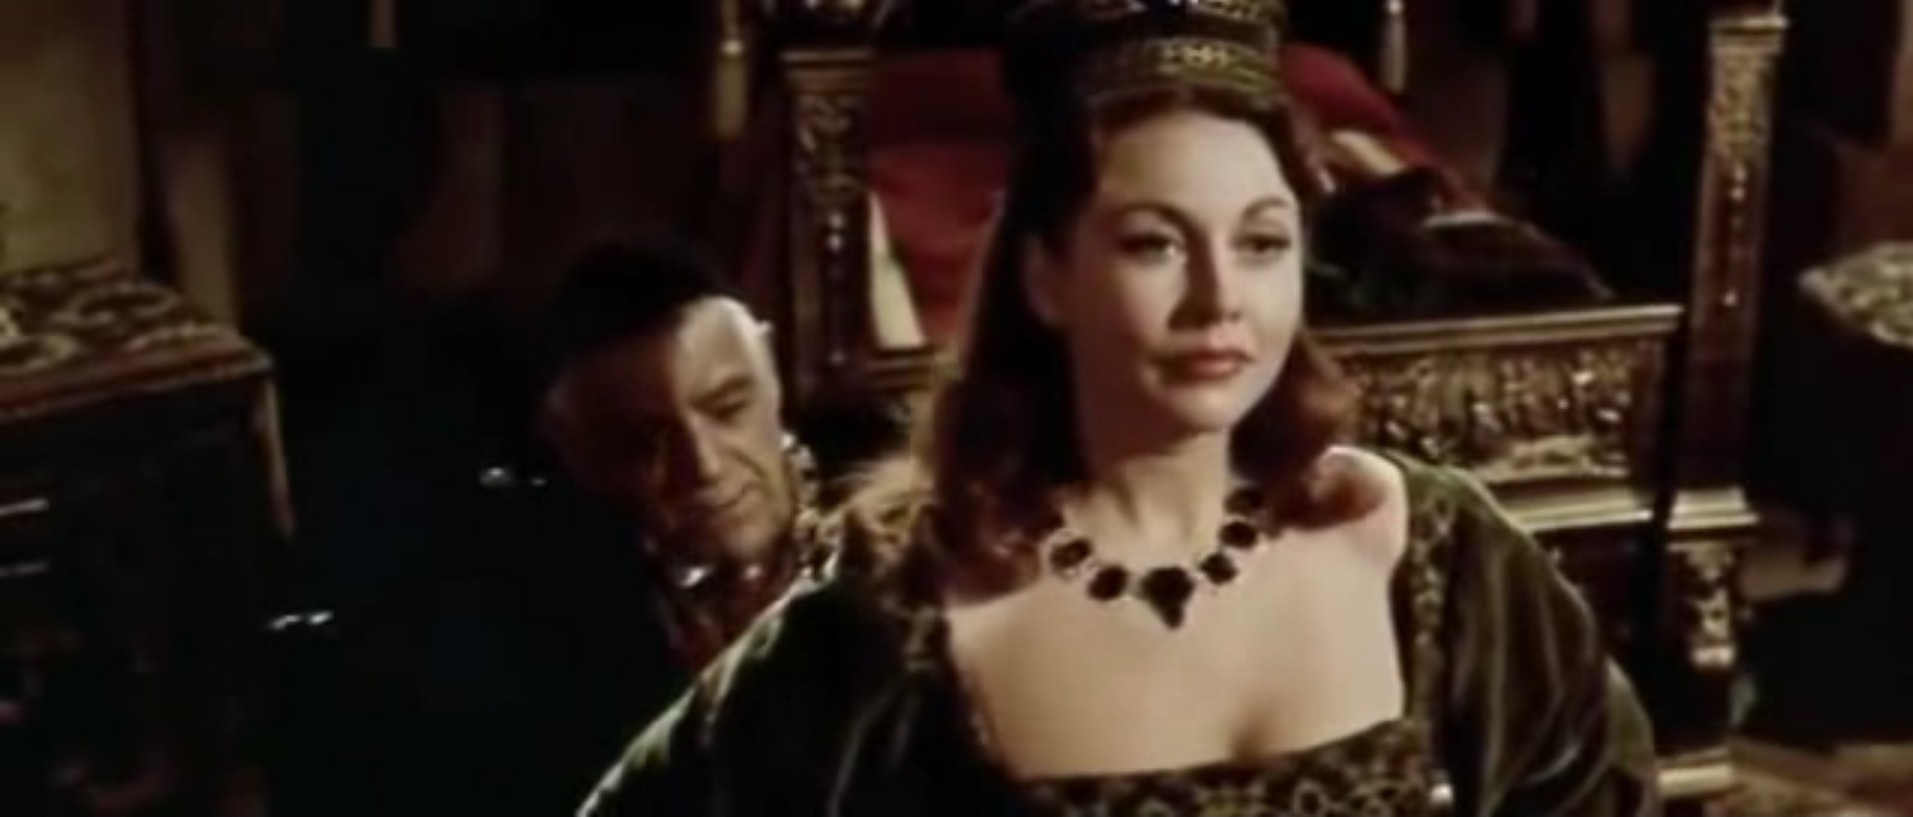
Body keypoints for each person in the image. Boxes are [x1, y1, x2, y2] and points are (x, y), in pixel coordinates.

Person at [577, 2, 1659, 816]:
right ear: (1046, 274)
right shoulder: (905, 607)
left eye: (1261, 242)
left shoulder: (1434, 550)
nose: (1219, 298)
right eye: (1154, 243)